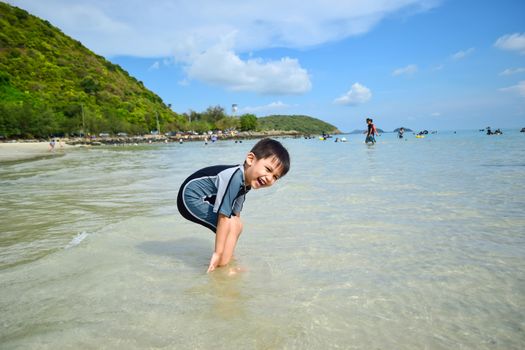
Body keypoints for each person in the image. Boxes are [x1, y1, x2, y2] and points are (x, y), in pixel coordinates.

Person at [177, 138, 290, 273]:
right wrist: (218, 252)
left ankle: (228, 261)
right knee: (228, 225)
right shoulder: (234, 178)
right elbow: (224, 217)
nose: (269, 178)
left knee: (237, 225)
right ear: (250, 159)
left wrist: (234, 231)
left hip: (207, 197)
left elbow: (236, 215)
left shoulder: (246, 183)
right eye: (268, 169)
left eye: (275, 177)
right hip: (190, 198)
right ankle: (222, 267)